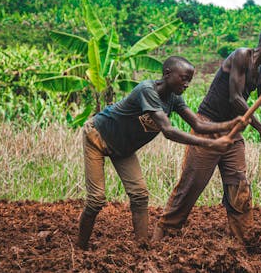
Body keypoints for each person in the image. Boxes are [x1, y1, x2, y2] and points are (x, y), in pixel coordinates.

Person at [77, 56, 243, 250]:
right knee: (96, 200)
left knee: (139, 196)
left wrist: (230, 124)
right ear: (167, 74)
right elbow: (169, 131)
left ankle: (142, 248)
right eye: (184, 78)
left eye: (190, 79)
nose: (187, 84)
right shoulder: (147, 90)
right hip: (97, 136)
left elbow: (197, 123)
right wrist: (212, 144)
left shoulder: (174, 98)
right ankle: (81, 250)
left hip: (123, 148)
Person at [152, 26, 261, 243]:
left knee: (239, 185)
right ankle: (161, 234)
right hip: (209, 127)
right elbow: (236, 99)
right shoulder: (241, 56)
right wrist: (260, 131)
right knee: (191, 184)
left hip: (233, 134)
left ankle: (242, 240)